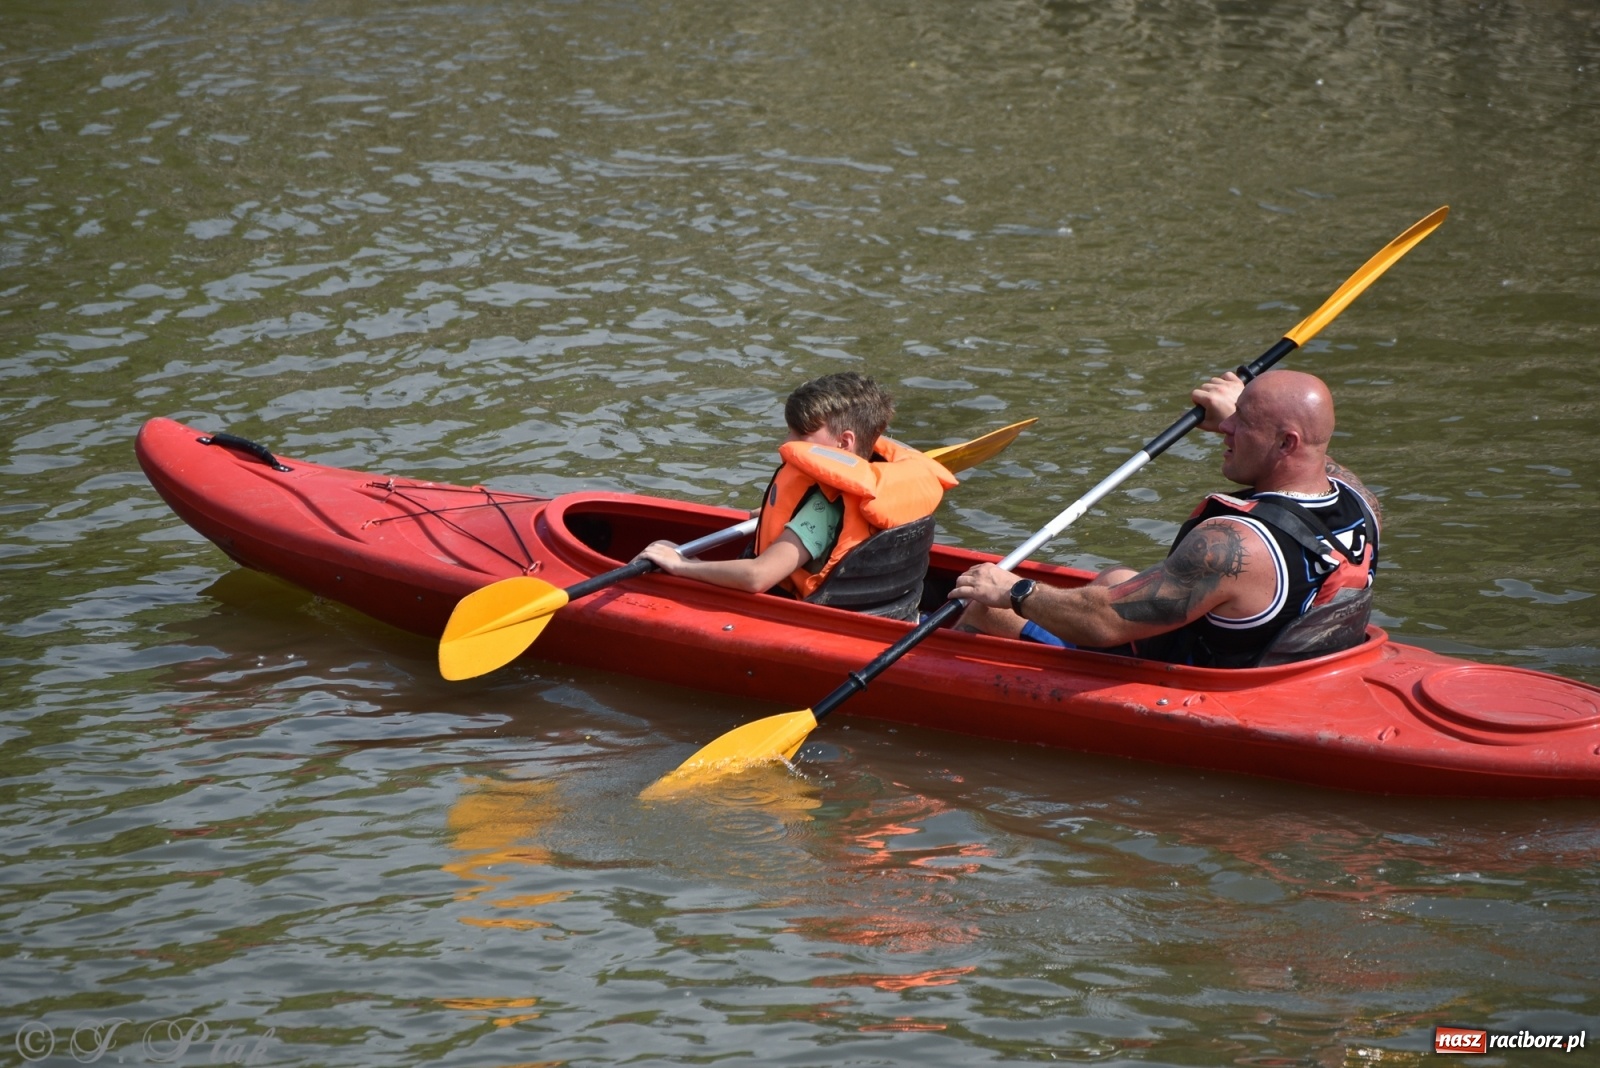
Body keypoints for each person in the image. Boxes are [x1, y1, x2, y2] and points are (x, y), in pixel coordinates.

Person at [949, 369, 1383, 668]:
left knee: (982, 606)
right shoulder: (1360, 504)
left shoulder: (1234, 544)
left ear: (1286, 443)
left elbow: (1103, 622)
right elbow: (1312, 447)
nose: (1227, 429)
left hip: (1207, 681)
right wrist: (1250, 416)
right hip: (1281, 656)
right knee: (1114, 578)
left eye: (1242, 422)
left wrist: (1015, 590)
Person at [634, 372, 957, 604]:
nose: (788, 445)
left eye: (800, 436)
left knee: (673, 555)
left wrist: (683, 565)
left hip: (822, 617)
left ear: (844, 442)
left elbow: (757, 577)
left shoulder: (821, 509)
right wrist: (787, 522)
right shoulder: (890, 477)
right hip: (891, 609)